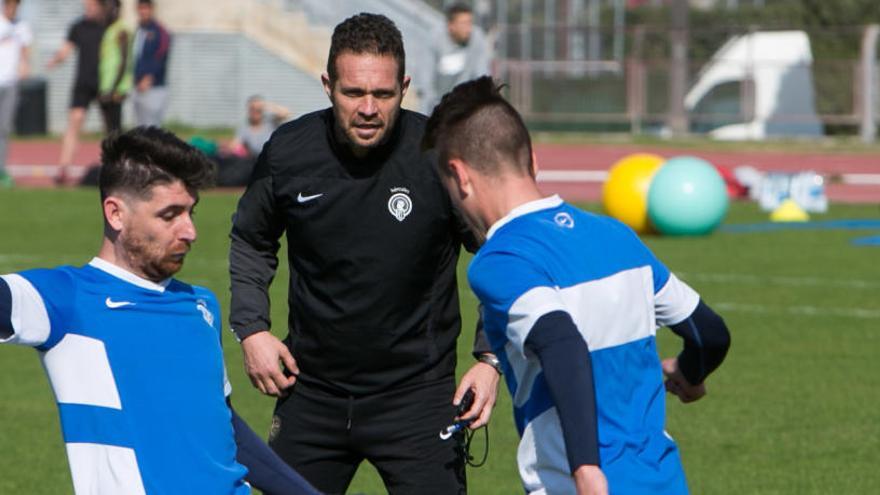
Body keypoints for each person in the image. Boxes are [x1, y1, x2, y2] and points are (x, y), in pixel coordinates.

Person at [229, 13, 500, 495]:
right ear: (328, 86)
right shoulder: (289, 152)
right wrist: (252, 329)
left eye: (384, 94)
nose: (369, 108)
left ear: (405, 87)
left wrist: (490, 357)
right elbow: (252, 238)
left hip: (417, 397)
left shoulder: (441, 157)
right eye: (353, 93)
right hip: (311, 392)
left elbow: (502, 251)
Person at [422, 76, 732, 495]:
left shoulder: (500, 260)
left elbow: (563, 344)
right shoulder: (617, 236)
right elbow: (710, 333)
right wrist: (689, 372)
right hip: (663, 481)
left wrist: (586, 470)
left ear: (459, 177)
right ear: (532, 159)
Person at [0, 127, 320, 495]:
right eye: (170, 215)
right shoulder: (68, 300)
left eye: (191, 212)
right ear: (116, 213)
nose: (190, 231)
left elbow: (222, 425)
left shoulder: (201, 305)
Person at [47, 0, 107, 180]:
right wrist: (55, 60)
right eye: (86, 6)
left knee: (110, 128)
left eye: (92, 6)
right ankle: (63, 168)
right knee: (74, 122)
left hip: (104, 84)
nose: (88, 10)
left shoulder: (108, 27)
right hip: (83, 83)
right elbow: (66, 49)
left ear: (101, 7)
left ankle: (112, 167)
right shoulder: (78, 27)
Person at [421, 2, 491, 114]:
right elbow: (427, 82)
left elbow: (482, 76)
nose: (469, 29)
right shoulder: (435, 39)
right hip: (437, 106)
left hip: (467, 106)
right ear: (451, 26)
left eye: (470, 23)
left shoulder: (478, 39)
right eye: (464, 23)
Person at [0, 0, 31, 188]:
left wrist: (25, 65)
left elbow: (26, 50)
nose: (12, 9)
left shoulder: (22, 26)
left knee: (4, 128)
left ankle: (1, 169)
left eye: (15, 5)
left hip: (10, 83)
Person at [132, 0, 170, 127]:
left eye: (146, 8)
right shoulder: (138, 30)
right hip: (137, 86)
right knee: (141, 130)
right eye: (141, 8)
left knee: (152, 130)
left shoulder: (160, 31)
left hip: (153, 88)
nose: (143, 11)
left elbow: (160, 56)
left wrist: (148, 78)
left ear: (152, 9)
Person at [97, 0, 132, 133]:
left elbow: (124, 60)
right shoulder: (108, 28)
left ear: (116, 9)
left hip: (116, 86)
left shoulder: (121, 29)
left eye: (109, 7)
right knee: (109, 129)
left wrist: (114, 88)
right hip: (106, 85)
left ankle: (120, 154)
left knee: (115, 129)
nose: (106, 11)